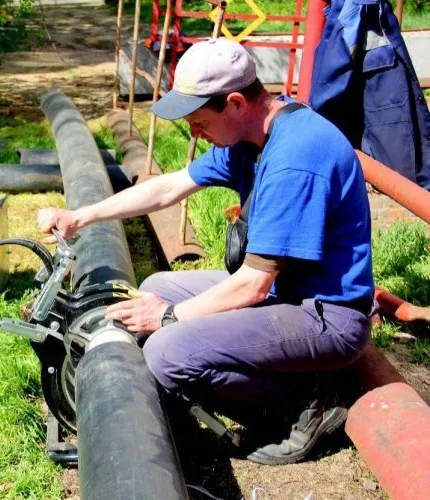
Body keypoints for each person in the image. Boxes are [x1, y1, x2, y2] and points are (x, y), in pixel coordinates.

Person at [36, 38, 374, 465]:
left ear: (235, 103)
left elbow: (252, 285)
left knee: (166, 349)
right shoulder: (253, 138)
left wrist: (168, 317)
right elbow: (169, 186)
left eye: (198, 121)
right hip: (287, 293)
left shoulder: (295, 157)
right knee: (158, 284)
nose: (194, 132)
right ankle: (283, 383)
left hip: (326, 316)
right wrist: (81, 216)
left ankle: (303, 404)